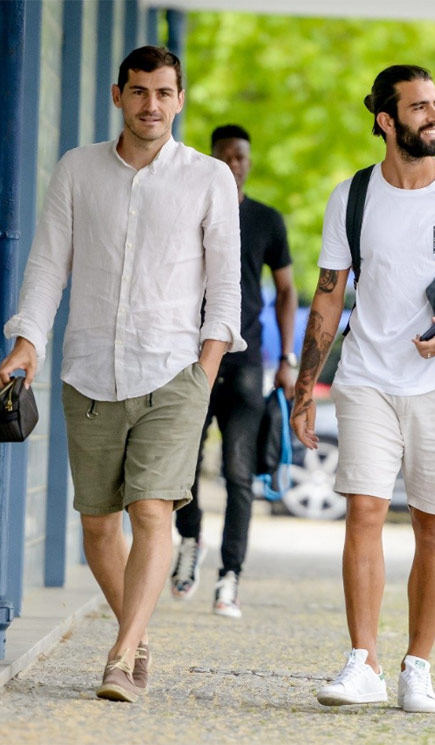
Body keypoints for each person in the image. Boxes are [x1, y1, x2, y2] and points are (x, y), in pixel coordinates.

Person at [0, 46, 243, 703]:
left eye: (164, 93)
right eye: (139, 92)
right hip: (87, 369)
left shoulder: (208, 178)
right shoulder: (78, 169)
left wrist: (206, 366)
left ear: (180, 99)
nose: (151, 106)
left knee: (151, 507)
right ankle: (137, 635)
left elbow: (224, 286)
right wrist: (29, 343)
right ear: (117, 96)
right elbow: (49, 263)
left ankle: (119, 653)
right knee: (100, 522)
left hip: (174, 370)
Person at [291, 64, 435, 713]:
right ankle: (361, 660)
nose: (433, 116)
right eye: (419, 107)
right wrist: (304, 386)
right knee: (363, 509)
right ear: (385, 120)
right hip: (367, 375)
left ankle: (415, 665)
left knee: (433, 523)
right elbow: (329, 294)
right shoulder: (353, 196)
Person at [170, 124, 297, 618]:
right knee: (181, 465)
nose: (233, 162)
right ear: (213, 159)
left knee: (238, 472)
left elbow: (287, 291)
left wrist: (287, 360)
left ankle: (230, 576)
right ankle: (189, 541)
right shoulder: (190, 211)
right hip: (190, 358)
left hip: (245, 361)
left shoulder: (267, 220)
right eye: (224, 154)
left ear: (248, 161)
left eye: (241, 155)